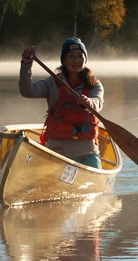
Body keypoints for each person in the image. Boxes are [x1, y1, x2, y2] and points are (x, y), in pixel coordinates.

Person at [20, 38, 104, 169]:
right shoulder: (52, 82)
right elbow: (27, 91)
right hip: (56, 151)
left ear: (85, 59)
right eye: (71, 56)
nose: (76, 60)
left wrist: (88, 102)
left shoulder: (94, 84)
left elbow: (97, 102)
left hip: (87, 153)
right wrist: (26, 64)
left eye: (80, 56)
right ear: (64, 61)